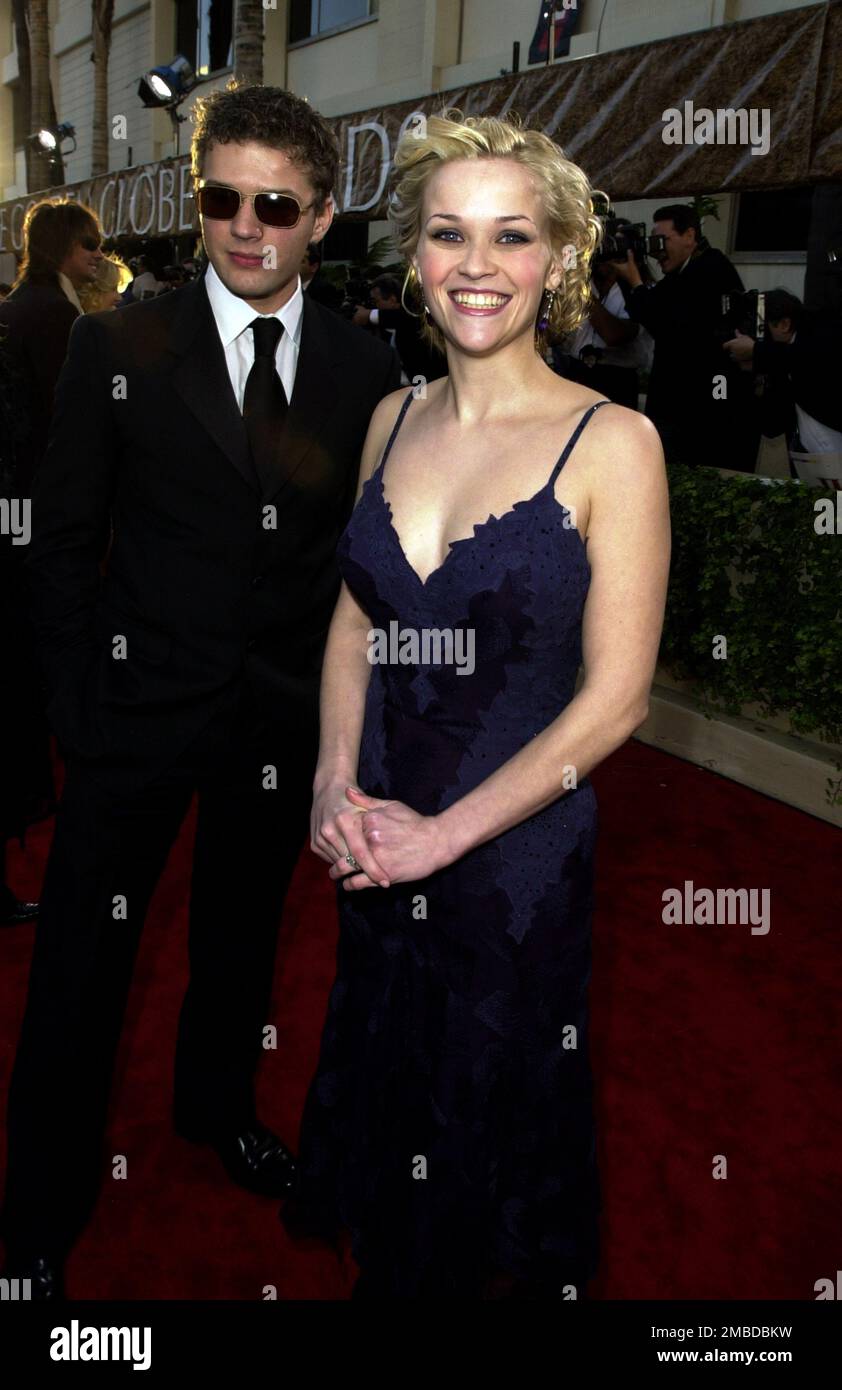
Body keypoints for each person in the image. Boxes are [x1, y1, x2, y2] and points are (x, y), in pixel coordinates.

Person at [0, 82, 401, 1300]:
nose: (243, 226)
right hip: (131, 713)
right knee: (80, 970)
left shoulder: (362, 362)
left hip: (273, 721)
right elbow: (59, 539)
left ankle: (213, 1111)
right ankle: (36, 1214)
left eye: (273, 204)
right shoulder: (118, 342)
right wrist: (76, 702)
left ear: (321, 216)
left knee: (239, 942)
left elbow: (360, 560)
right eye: (220, 198)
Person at [280, 108, 670, 1299]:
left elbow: (615, 704)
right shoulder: (389, 420)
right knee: (391, 1092)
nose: (476, 266)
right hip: (377, 830)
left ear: (555, 258)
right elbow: (356, 619)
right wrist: (331, 779)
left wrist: (440, 836)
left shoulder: (614, 444)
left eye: (510, 237)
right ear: (415, 256)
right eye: (449, 234)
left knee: (487, 1114)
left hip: (508, 864)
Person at [615, 203, 757, 470]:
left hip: (705, 417)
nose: (657, 250)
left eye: (663, 240)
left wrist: (634, 281)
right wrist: (629, 270)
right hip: (683, 412)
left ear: (690, 236)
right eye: (653, 241)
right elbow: (646, 307)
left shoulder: (711, 269)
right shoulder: (682, 273)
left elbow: (669, 325)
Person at [724, 288, 842, 462]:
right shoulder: (779, 358)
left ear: (785, 324)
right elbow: (772, 426)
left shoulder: (819, 338)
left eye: (762, 327)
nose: (758, 336)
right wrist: (758, 378)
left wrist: (757, 352)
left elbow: (806, 359)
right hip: (808, 455)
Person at [353, 273, 448, 386]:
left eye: (376, 301)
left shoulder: (417, 316)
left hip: (429, 385)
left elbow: (407, 319)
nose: (375, 305)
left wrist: (369, 315)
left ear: (392, 300)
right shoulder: (388, 325)